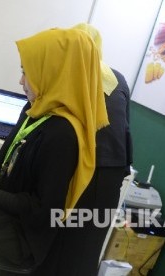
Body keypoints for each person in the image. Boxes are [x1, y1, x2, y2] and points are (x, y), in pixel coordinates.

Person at [0, 28, 109, 275]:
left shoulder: (62, 135)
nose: (21, 81)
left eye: (27, 73)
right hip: (0, 213)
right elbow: (16, 153)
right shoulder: (37, 108)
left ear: (53, 73)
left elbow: (41, 209)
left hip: (18, 241)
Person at [56, 23, 132, 275]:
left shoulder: (72, 76)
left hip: (83, 170)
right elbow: (126, 128)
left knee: (59, 242)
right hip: (113, 173)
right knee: (87, 249)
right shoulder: (116, 77)